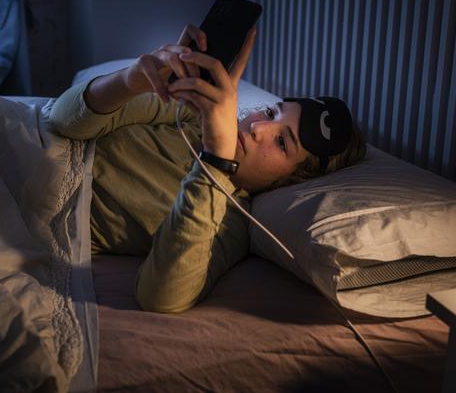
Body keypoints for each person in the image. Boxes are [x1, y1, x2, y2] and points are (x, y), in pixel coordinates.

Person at [49, 24, 366, 313]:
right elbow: (62, 121)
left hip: (29, 211)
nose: (258, 128)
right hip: (31, 144)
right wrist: (129, 80)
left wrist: (215, 159)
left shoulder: (231, 223)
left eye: (283, 143)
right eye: (271, 112)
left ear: (291, 180)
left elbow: (160, 297)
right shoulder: (191, 116)